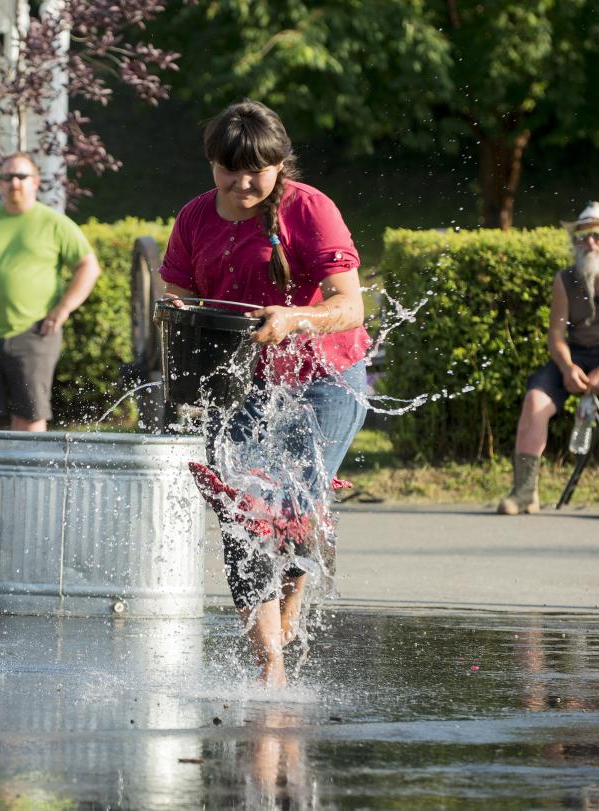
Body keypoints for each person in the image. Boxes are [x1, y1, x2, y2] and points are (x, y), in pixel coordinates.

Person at [159, 99, 369, 687]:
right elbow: (177, 287)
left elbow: (350, 306)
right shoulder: (196, 217)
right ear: (212, 164)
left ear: (280, 165)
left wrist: (296, 318)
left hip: (324, 377)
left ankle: (291, 608)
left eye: (258, 170)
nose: (243, 182)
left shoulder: (310, 210)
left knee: (294, 502)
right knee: (240, 510)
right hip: (241, 381)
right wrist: (179, 312)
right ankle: (269, 662)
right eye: (231, 170)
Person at [499, 202, 599, 520]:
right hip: (576, 358)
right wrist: (567, 368)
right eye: (582, 236)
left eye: (597, 235)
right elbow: (555, 336)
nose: (589, 242)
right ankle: (524, 492)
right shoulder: (564, 279)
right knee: (534, 401)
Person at [0, 152, 101, 433]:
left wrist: (62, 310)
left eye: (21, 176)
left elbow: (88, 266)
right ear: (0, 184)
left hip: (35, 334)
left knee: (29, 416)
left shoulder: (55, 223)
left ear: (36, 182)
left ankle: (27, 478)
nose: (14, 182)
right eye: (7, 177)